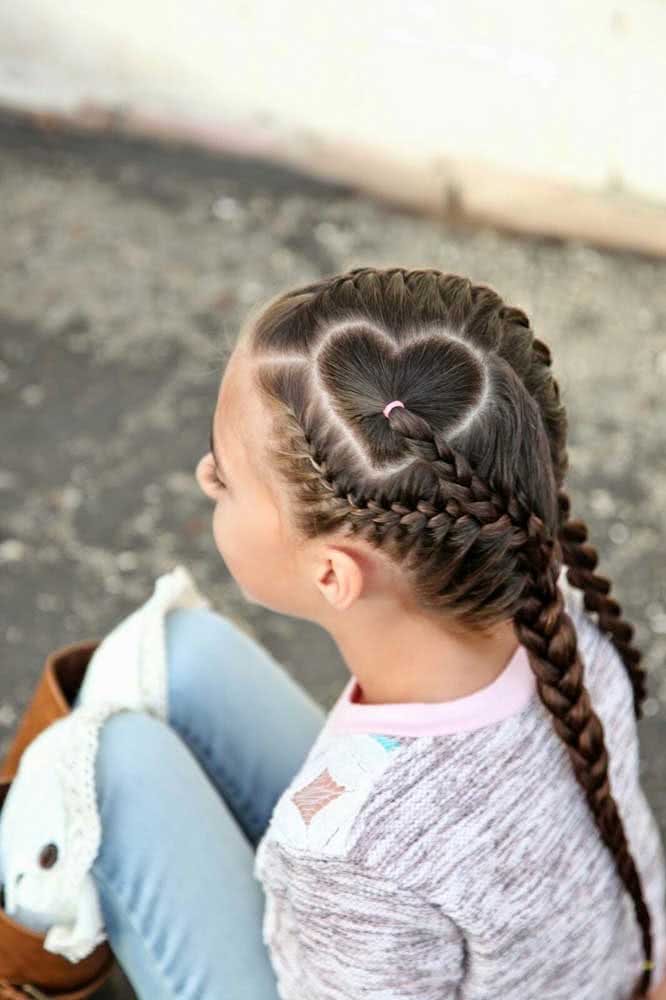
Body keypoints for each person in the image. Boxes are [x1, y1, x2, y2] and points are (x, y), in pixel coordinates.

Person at [10, 266, 666, 999]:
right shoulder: (565, 610)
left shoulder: (347, 860)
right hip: (599, 964)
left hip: (360, 920)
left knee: (87, 768)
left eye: (224, 478)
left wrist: (312, 888)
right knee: (181, 653)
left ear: (332, 575)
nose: (202, 476)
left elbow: (365, 878)